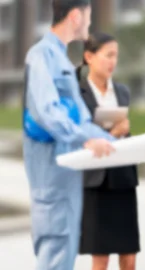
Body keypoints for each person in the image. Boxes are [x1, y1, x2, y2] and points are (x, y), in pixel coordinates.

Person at [22, 1, 115, 269]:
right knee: (55, 259)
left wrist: (117, 145)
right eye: (88, 16)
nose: (89, 22)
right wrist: (85, 139)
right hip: (51, 184)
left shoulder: (61, 58)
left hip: (67, 184)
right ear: (75, 16)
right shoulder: (41, 55)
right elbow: (46, 110)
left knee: (64, 257)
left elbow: (82, 120)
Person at [76, 32, 140, 270]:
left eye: (116, 56)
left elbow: (125, 137)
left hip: (123, 179)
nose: (113, 61)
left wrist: (126, 132)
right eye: (108, 55)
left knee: (129, 257)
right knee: (100, 258)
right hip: (95, 182)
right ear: (89, 57)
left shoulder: (122, 92)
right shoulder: (76, 93)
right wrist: (111, 134)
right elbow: (77, 136)